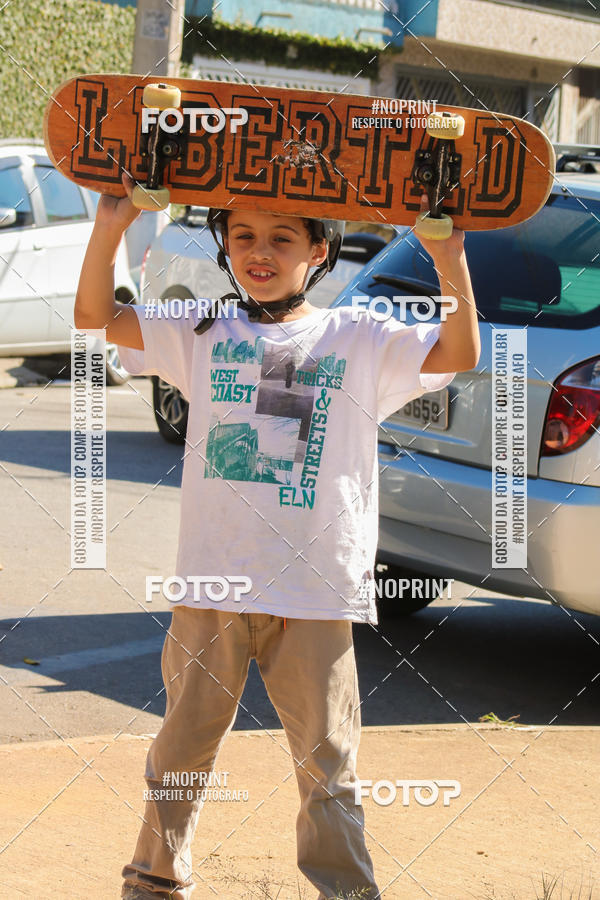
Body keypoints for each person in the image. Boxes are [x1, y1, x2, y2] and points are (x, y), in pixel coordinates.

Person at [74, 171, 480, 900]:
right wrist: (110, 225)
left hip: (315, 591)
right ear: (225, 247)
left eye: (282, 238)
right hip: (212, 583)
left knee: (329, 764)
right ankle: (153, 881)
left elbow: (458, 354)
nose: (259, 252)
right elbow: (96, 315)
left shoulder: (359, 337)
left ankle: (347, 892)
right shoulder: (202, 328)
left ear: (320, 251)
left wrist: (448, 256)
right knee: (181, 749)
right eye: (243, 237)